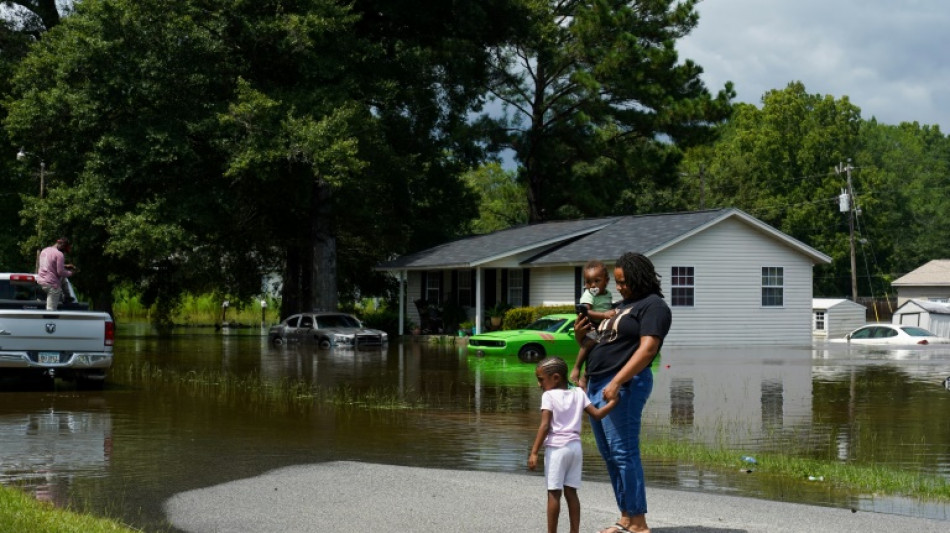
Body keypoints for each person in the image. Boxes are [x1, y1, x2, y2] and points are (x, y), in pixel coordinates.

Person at [574, 252, 672, 533]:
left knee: (624, 452)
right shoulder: (618, 306)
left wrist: (617, 381)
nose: (619, 287)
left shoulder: (654, 307)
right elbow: (598, 338)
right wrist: (581, 338)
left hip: (624, 384)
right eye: (617, 282)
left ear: (640, 278)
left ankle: (639, 522)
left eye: (624, 282)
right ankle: (625, 517)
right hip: (596, 384)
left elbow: (648, 348)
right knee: (609, 454)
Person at [528, 356, 617, 533]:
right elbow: (597, 414)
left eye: (541, 380)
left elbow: (545, 426)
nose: (539, 384)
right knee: (571, 493)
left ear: (555, 378)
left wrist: (534, 452)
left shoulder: (549, 396)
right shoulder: (579, 393)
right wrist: (613, 403)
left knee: (554, 493)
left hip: (557, 449)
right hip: (575, 449)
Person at [570, 260, 617, 389]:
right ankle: (576, 368)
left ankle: (585, 378)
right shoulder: (588, 294)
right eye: (588, 282)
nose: (592, 285)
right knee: (589, 344)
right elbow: (587, 311)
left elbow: (608, 307)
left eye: (597, 281)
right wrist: (604, 315)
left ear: (606, 281)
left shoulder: (608, 294)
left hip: (602, 327)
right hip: (591, 325)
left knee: (595, 352)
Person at [36, 237, 76, 311]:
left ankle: (67, 296)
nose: (64, 252)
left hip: (40, 282)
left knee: (63, 279)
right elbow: (60, 272)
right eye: (64, 250)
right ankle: (66, 297)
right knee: (51, 311)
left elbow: (49, 264)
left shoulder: (44, 250)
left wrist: (65, 265)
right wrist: (70, 273)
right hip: (51, 285)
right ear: (62, 245)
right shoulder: (59, 254)